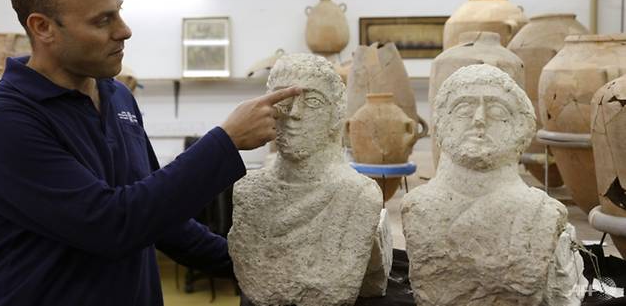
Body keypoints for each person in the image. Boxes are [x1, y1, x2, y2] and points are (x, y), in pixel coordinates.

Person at [0, 0, 299, 306]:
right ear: (42, 27)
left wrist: (257, 267)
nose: (125, 31)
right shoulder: (0, 121)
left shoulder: (117, 97)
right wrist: (225, 142)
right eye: (102, 20)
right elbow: (111, 225)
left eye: (119, 12)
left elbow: (161, 219)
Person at [401, 64, 586, 306]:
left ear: (521, 127)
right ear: (441, 124)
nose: (479, 120)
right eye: (464, 109)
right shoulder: (417, 207)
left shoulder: (541, 213)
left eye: (498, 111)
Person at [228, 53, 388, 306]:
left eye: (313, 101)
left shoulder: (358, 196)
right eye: (284, 100)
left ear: (335, 115)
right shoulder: (248, 192)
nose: (294, 113)